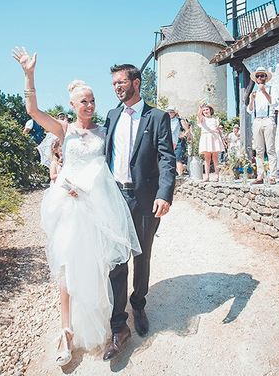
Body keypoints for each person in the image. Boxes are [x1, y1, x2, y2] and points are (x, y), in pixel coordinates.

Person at [12, 47, 141, 366]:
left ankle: (110, 323)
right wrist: (29, 74)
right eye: (84, 100)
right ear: (72, 106)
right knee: (68, 269)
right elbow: (32, 110)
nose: (90, 105)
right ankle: (66, 332)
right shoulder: (64, 130)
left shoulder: (104, 130)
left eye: (93, 100)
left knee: (100, 267)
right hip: (71, 209)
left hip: (100, 207)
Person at [104, 64, 176, 360]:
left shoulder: (157, 117)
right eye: (114, 84)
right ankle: (118, 324)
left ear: (136, 82)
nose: (117, 87)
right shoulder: (111, 116)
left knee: (142, 255)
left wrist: (165, 194)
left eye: (121, 82)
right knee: (116, 260)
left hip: (144, 199)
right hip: (114, 197)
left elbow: (167, 158)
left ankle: (139, 302)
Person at [247, 67, 278, 184]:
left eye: (262, 76)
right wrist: (251, 99)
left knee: (270, 149)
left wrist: (264, 91)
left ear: (266, 78)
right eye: (258, 76)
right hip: (256, 121)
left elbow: (274, 103)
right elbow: (249, 110)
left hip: (268, 119)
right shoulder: (254, 92)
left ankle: (273, 176)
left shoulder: (271, 89)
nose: (260, 78)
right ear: (255, 79)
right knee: (259, 150)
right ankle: (260, 176)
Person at [196, 103, 225, 182]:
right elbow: (199, 115)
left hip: (215, 138)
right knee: (207, 158)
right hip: (206, 137)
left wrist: (222, 139)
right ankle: (207, 176)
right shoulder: (202, 119)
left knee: (215, 157)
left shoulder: (215, 119)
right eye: (204, 110)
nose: (205, 111)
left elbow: (218, 130)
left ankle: (217, 176)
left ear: (210, 110)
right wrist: (200, 108)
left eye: (207, 109)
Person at [167, 107, 191, 176]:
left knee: (178, 158)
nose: (170, 113)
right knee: (169, 158)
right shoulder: (166, 120)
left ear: (175, 113)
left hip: (178, 142)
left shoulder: (180, 120)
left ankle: (180, 175)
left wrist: (184, 135)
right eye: (168, 112)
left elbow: (187, 130)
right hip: (168, 141)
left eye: (171, 112)